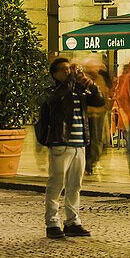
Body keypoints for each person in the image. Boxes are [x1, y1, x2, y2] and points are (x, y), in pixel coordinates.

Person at [37, 58, 104, 238]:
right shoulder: (52, 91)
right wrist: (71, 79)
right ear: (55, 74)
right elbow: (58, 97)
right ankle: (52, 223)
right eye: (64, 70)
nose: (69, 72)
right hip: (60, 143)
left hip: (79, 144)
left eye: (70, 69)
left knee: (75, 185)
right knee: (56, 184)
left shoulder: (79, 91)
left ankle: (72, 222)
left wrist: (92, 84)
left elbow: (98, 100)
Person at [82, 58, 110, 175]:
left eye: (96, 67)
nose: (96, 69)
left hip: (99, 113)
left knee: (97, 138)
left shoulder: (100, 78)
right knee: (90, 139)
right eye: (93, 67)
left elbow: (105, 94)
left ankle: (92, 162)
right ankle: (88, 163)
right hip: (88, 113)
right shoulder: (83, 79)